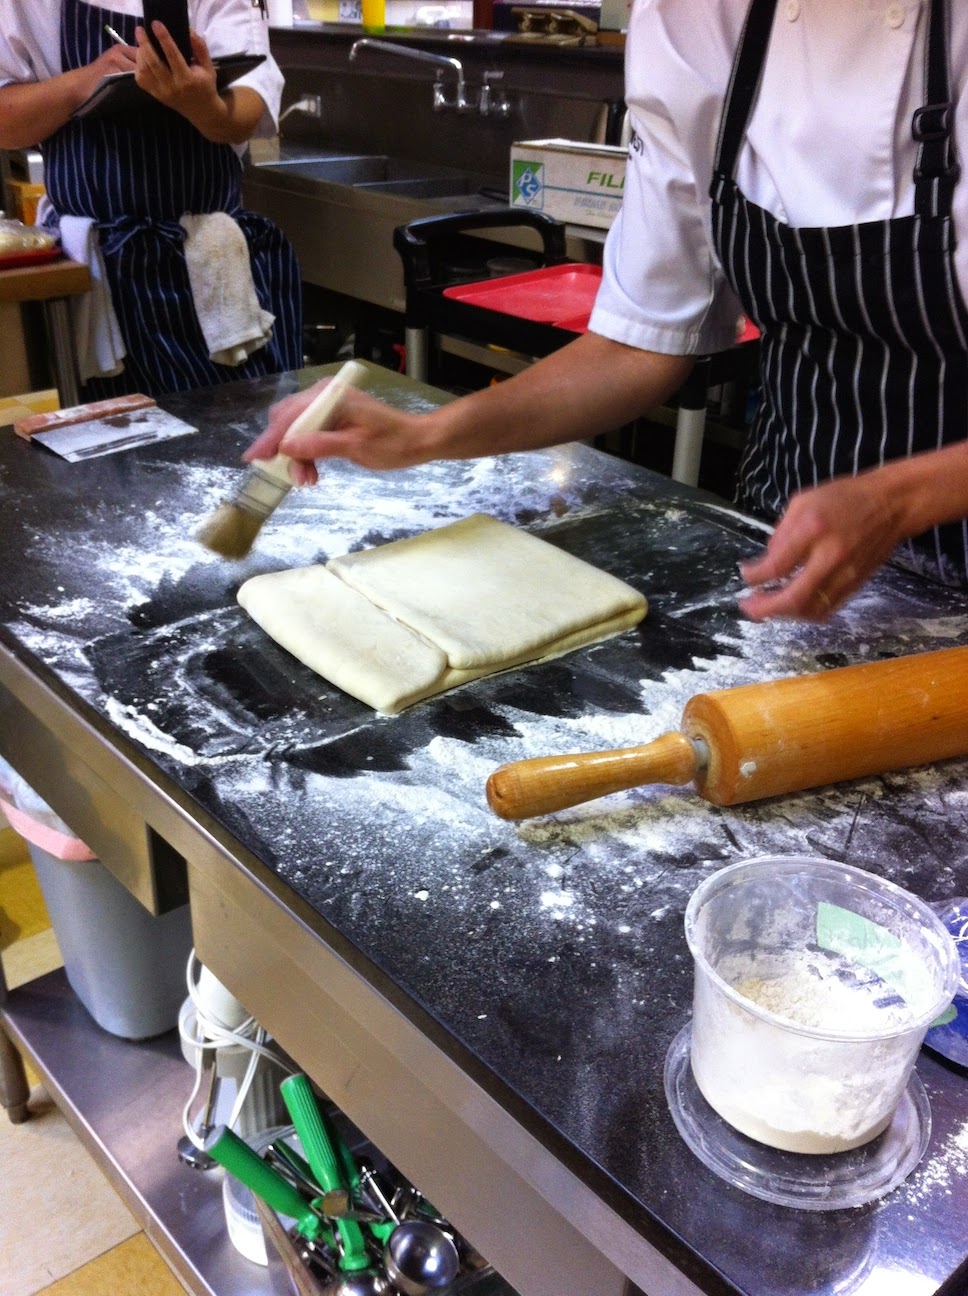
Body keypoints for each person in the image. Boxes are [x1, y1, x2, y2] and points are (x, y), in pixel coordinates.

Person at [243, 0, 968, 623]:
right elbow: (640, 342)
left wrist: (899, 499)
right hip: (786, 540)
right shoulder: (705, 19)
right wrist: (424, 436)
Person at [0, 0, 303, 398]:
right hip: (92, 277)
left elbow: (248, 106)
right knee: (106, 444)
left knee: (241, 437)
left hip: (207, 272)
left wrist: (204, 106)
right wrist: (86, 81)